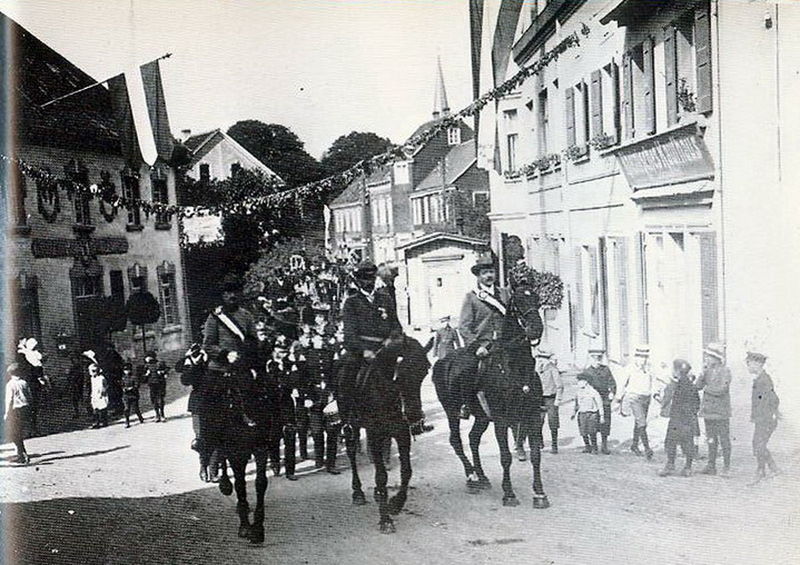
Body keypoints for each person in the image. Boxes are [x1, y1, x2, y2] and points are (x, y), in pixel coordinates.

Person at [202, 273, 258, 485]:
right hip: (219, 370)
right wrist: (226, 354)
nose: (232, 296)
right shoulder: (214, 318)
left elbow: (253, 342)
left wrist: (251, 356)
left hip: (241, 370)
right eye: (227, 293)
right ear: (222, 296)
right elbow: (208, 345)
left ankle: (259, 441)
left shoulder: (246, 316)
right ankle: (206, 449)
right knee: (209, 409)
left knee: (259, 400)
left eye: (235, 292)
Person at [456, 253, 510, 420]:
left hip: (504, 343)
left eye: (491, 272)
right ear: (478, 276)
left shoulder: (504, 294)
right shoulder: (471, 297)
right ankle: (466, 404)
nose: (489, 276)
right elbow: (463, 327)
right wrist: (476, 346)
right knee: (468, 371)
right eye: (484, 273)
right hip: (483, 346)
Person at [305, 331, 341, 474]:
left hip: (329, 397)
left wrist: (334, 394)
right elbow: (304, 376)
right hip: (314, 397)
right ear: (312, 340)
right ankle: (319, 459)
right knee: (317, 431)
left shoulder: (330, 354)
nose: (320, 341)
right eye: (317, 338)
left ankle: (331, 464)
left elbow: (336, 375)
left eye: (322, 338)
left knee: (332, 431)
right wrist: (308, 396)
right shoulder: (307, 355)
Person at [695, 342, 732, 476]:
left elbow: (722, 389)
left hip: (721, 412)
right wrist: (702, 373)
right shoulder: (707, 370)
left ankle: (727, 467)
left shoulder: (725, 371)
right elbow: (697, 386)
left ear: (716, 358)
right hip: (709, 412)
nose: (706, 358)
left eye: (709, 356)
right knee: (711, 438)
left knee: (724, 439)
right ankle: (711, 465)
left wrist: (707, 389)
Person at [658, 359, 700, 477]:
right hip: (688, 419)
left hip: (677, 419)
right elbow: (697, 403)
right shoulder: (692, 386)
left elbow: (672, 402)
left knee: (671, 441)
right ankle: (687, 467)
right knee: (687, 443)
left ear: (677, 371)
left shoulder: (676, 385)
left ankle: (671, 465)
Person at [266, 334, 299, 481]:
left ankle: (290, 470)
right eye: (279, 351)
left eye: (284, 352)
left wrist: (292, 368)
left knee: (290, 436)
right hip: (272, 406)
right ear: (274, 351)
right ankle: (275, 462)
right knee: (274, 437)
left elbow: (294, 383)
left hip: (286, 405)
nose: (282, 355)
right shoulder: (268, 366)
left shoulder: (291, 365)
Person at [746, 347, 780, 483]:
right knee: (758, 444)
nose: (748, 366)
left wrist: (772, 413)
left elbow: (773, 399)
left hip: (766, 419)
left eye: (749, 363)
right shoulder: (760, 379)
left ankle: (761, 471)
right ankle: (773, 468)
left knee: (758, 445)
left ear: (758, 364)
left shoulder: (764, 380)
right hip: (762, 418)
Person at [619, 345, 654, 460]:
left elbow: (653, 381)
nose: (643, 360)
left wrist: (656, 393)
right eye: (641, 357)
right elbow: (622, 384)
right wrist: (619, 398)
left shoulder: (648, 368)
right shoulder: (630, 368)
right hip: (634, 398)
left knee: (639, 423)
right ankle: (647, 448)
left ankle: (634, 445)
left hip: (646, 398)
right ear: (636, 357)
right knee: (642, 422)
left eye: (645, 357)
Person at [581, 347, 617, 455]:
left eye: (599, 359)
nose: (597, 361)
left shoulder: (606, 369)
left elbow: (612, 383)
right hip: (591, 401)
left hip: (605, 399)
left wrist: (612, 392)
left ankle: (604, 445)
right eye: (594, 358)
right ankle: (593, 445)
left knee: (605, 423)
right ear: (590, 359)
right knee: (592, 424)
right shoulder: (587, 371)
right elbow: (582, 386)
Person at [4, 360, 33, 464]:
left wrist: (6, 413)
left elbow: (9, 400)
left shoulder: (10, 385)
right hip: (25, 408)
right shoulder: (24, 382)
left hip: (15, 410)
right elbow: (29, 396)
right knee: (19, 431)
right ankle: (20, 453)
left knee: (14, 433)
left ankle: (22, 454)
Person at [536, 348, 562, 455]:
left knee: (553, 422)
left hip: (551, 398)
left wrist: (558, 400)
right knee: (538, 421)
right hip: (539, 399)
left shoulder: (552, 369)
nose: (540, 361)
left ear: (547, 359)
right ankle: (539, 441)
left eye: (542, 359)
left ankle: (554, 444)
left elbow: (559, 386)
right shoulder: (536, 369)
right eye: (539, 359)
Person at [572, 373, 605, 454]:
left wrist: (601, 416)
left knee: (592, 431)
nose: (578, 383)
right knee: (583, 432)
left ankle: (594, 447)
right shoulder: (578, 392)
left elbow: (600, 405)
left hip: (592, 414)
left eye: (580, 381)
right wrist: (574, 413)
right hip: (582, 414)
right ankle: (587, 446)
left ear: (586, 381)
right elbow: (576, 404)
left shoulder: (593, 392)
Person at [140, 352, 167, 422]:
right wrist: (146, 374)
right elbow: (142, 379)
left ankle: (162, 414)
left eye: (147, 357)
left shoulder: (160, 364)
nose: (146, 359)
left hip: (160, 384)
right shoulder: (146, 366)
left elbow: (166, 370)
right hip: (152, 385)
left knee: (161, 399)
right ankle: (157, 415)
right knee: (154, 400)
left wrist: (162, 372)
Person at [121, 362, 144, 428]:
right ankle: (127, 421)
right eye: (125, 370)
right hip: (126, 396)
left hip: (134, 395)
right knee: (126, 408)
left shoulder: (134, 377)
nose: (126, 371)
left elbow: (137, 385)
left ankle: (140, 417)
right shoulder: (123, 378)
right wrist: (123, 388)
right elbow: (121, 385)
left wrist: (131, 388)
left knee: (135, 408)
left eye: (128, 370)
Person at [89, 362, 109, 429]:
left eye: (94, 371)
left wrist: (102, 393)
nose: (92, 373)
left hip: (101, 395)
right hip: (94, 395)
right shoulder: (91, 379)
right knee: (95, 409)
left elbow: (105, 386)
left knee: (102, 409)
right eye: (91, 371)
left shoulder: (101, 378)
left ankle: (104, 421)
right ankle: (96, 423)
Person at [67, 352, 85, 419]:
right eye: (72, 359)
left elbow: (82, 376)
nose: (73, 360)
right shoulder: (72, 368)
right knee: (74, 399)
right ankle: (76, 412)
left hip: (80, 384)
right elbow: (69, 377)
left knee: (82, 398)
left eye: (74, 359)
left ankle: (88, 411)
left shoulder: (80, 367)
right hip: (74, 385)